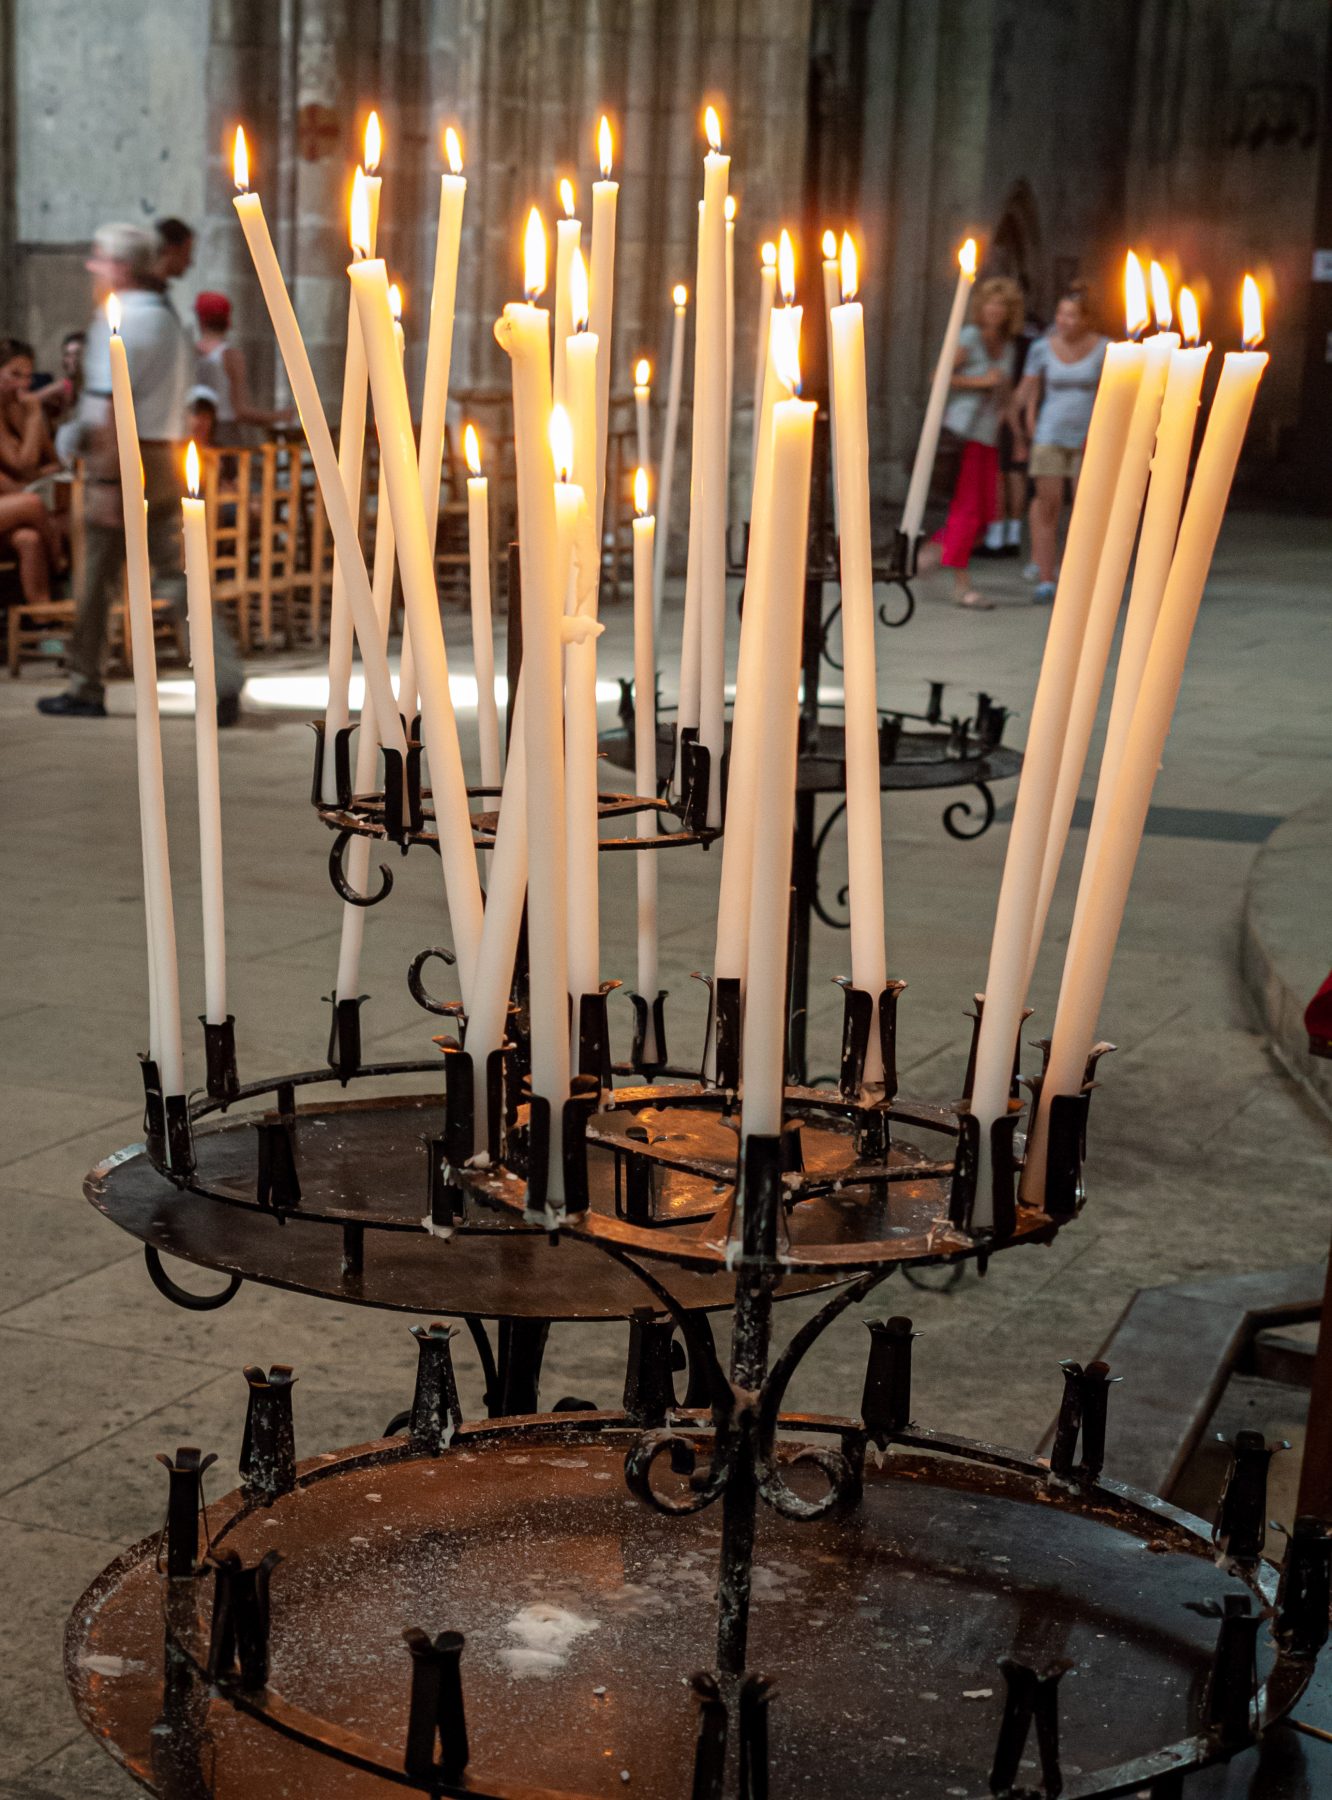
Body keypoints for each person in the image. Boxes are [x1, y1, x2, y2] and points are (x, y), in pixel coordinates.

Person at [36, 221, 244, 723]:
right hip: (165, 453)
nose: (93, 266)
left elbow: (112, 406)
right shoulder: (168, 318)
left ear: (122, 267)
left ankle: (85, 685)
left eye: (100, 257)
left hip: (126, 457)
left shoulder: (123, 317)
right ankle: (223, 679)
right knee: (177, 574)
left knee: (95, 579)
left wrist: (108, 480)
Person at [915, 276, 1022, 610]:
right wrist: (981, 381)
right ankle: (962, 586)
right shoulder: (970, 337)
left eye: (1002, 304)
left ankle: (930, 553)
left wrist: (1018, 436)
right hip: (963, 433)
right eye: (990, 302)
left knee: (988, 516)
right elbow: (938, 376)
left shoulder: (1008, 346)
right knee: (968, 511)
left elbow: (1006, 396)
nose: (995, 309)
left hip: (988, 435)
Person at [1015, 285, 1107, 604]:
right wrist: (1016, 422)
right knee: (1047, 505)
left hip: (1089, 436)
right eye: (1060, 314)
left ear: (1087, 319)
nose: (1064, 320)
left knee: (1086, 507)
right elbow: (1027, 389)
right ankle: (1046, 576)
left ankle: (1080, 574)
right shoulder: (1042, 347)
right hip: (1050, 434)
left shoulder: (1105, 348)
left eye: (1071, 315)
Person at [0, 337, 66, 611]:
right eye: (14, 375)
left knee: (29, 539)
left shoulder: (19, 407)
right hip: (16, 503)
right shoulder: (27, 409)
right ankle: (60, 564)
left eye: (28, 376)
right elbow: (24, 465)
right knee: (33, 504)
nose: (23, 384)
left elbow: (54, 463)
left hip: (11, 506)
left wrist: (32, 417)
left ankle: (42, 619)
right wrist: (35, 415)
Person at [194, 290, 292, 440]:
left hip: (194, 432)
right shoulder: (230, 356)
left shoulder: (190, 352)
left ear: (200, 320)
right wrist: (280, 416)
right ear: (228, 321)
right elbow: (241, 411)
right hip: (222, 435)